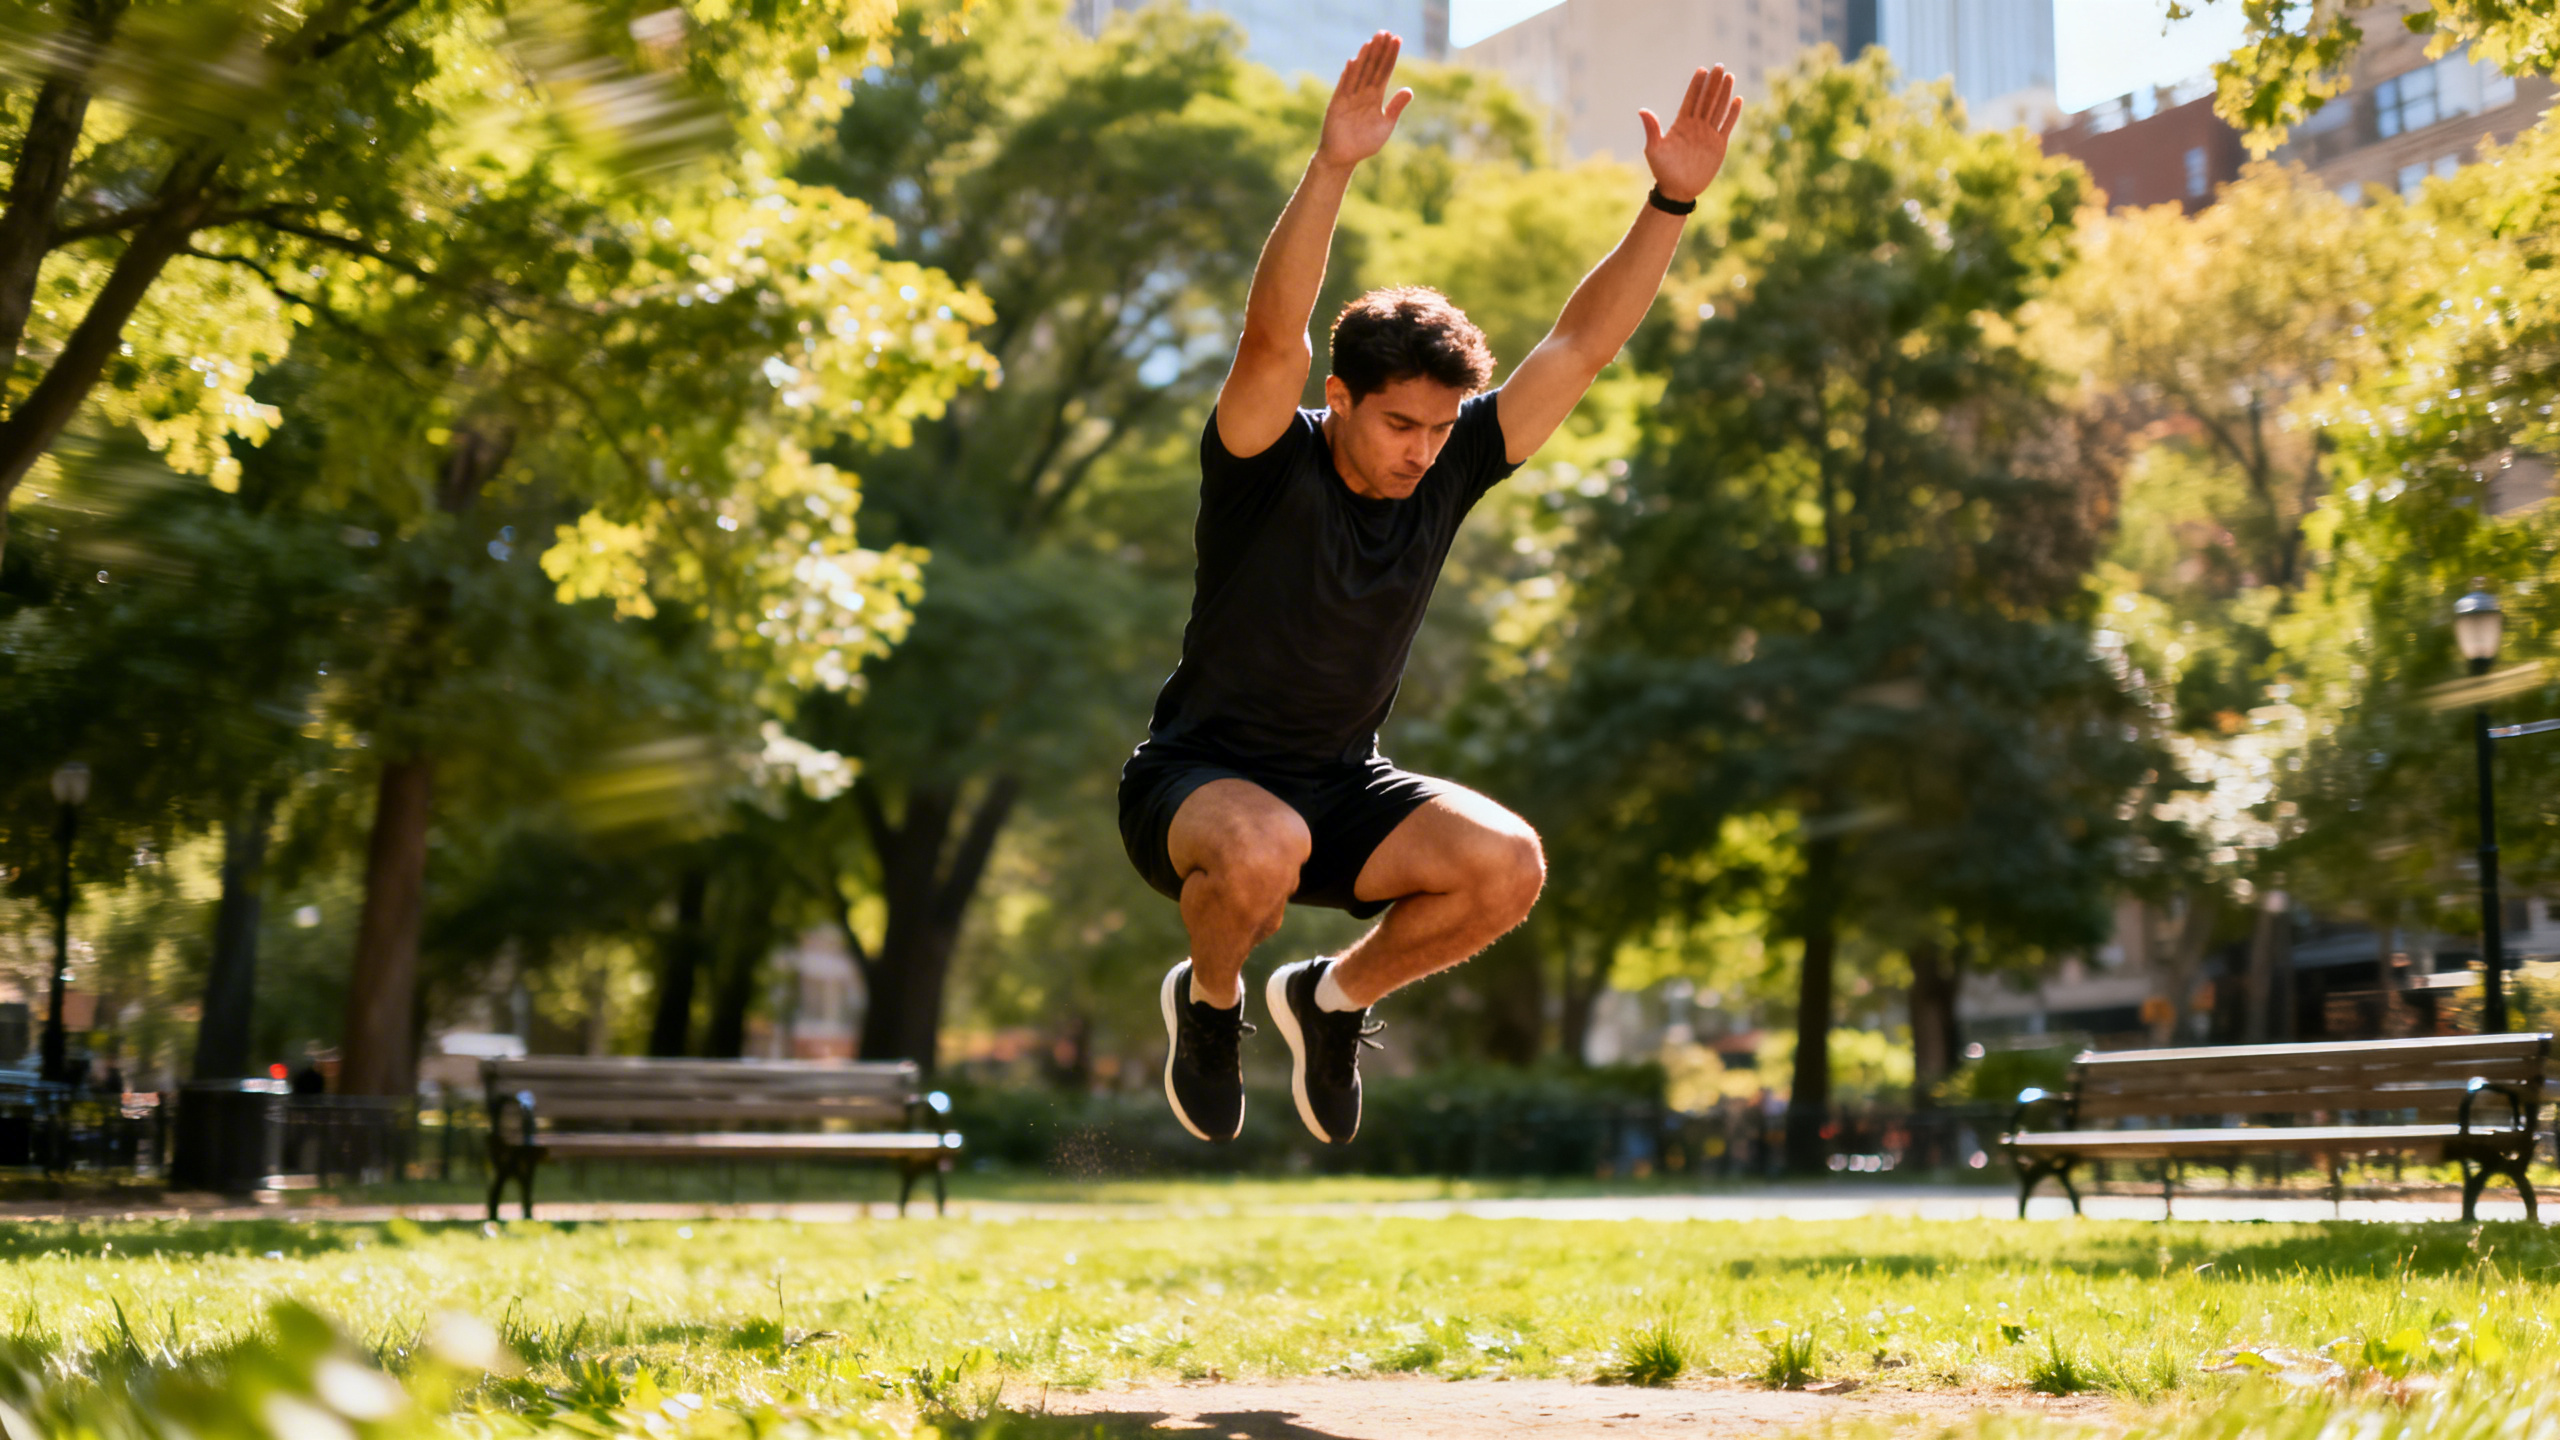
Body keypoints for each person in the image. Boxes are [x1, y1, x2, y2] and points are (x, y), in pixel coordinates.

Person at [1119, 30, 1742, 1145]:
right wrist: (1332, 169)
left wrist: (1668, 205)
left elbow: (1578, 346)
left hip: (1342, 789)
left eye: (1438, 427)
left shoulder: (1451, 464)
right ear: (1340, 397)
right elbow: (1270, 337)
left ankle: (1329, 999)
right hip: (1200, 783)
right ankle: (1209, 1006)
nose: (1420, 449)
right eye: (1399, 422)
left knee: (1506, 867)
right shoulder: (1269, 456)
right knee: (1266, 849)